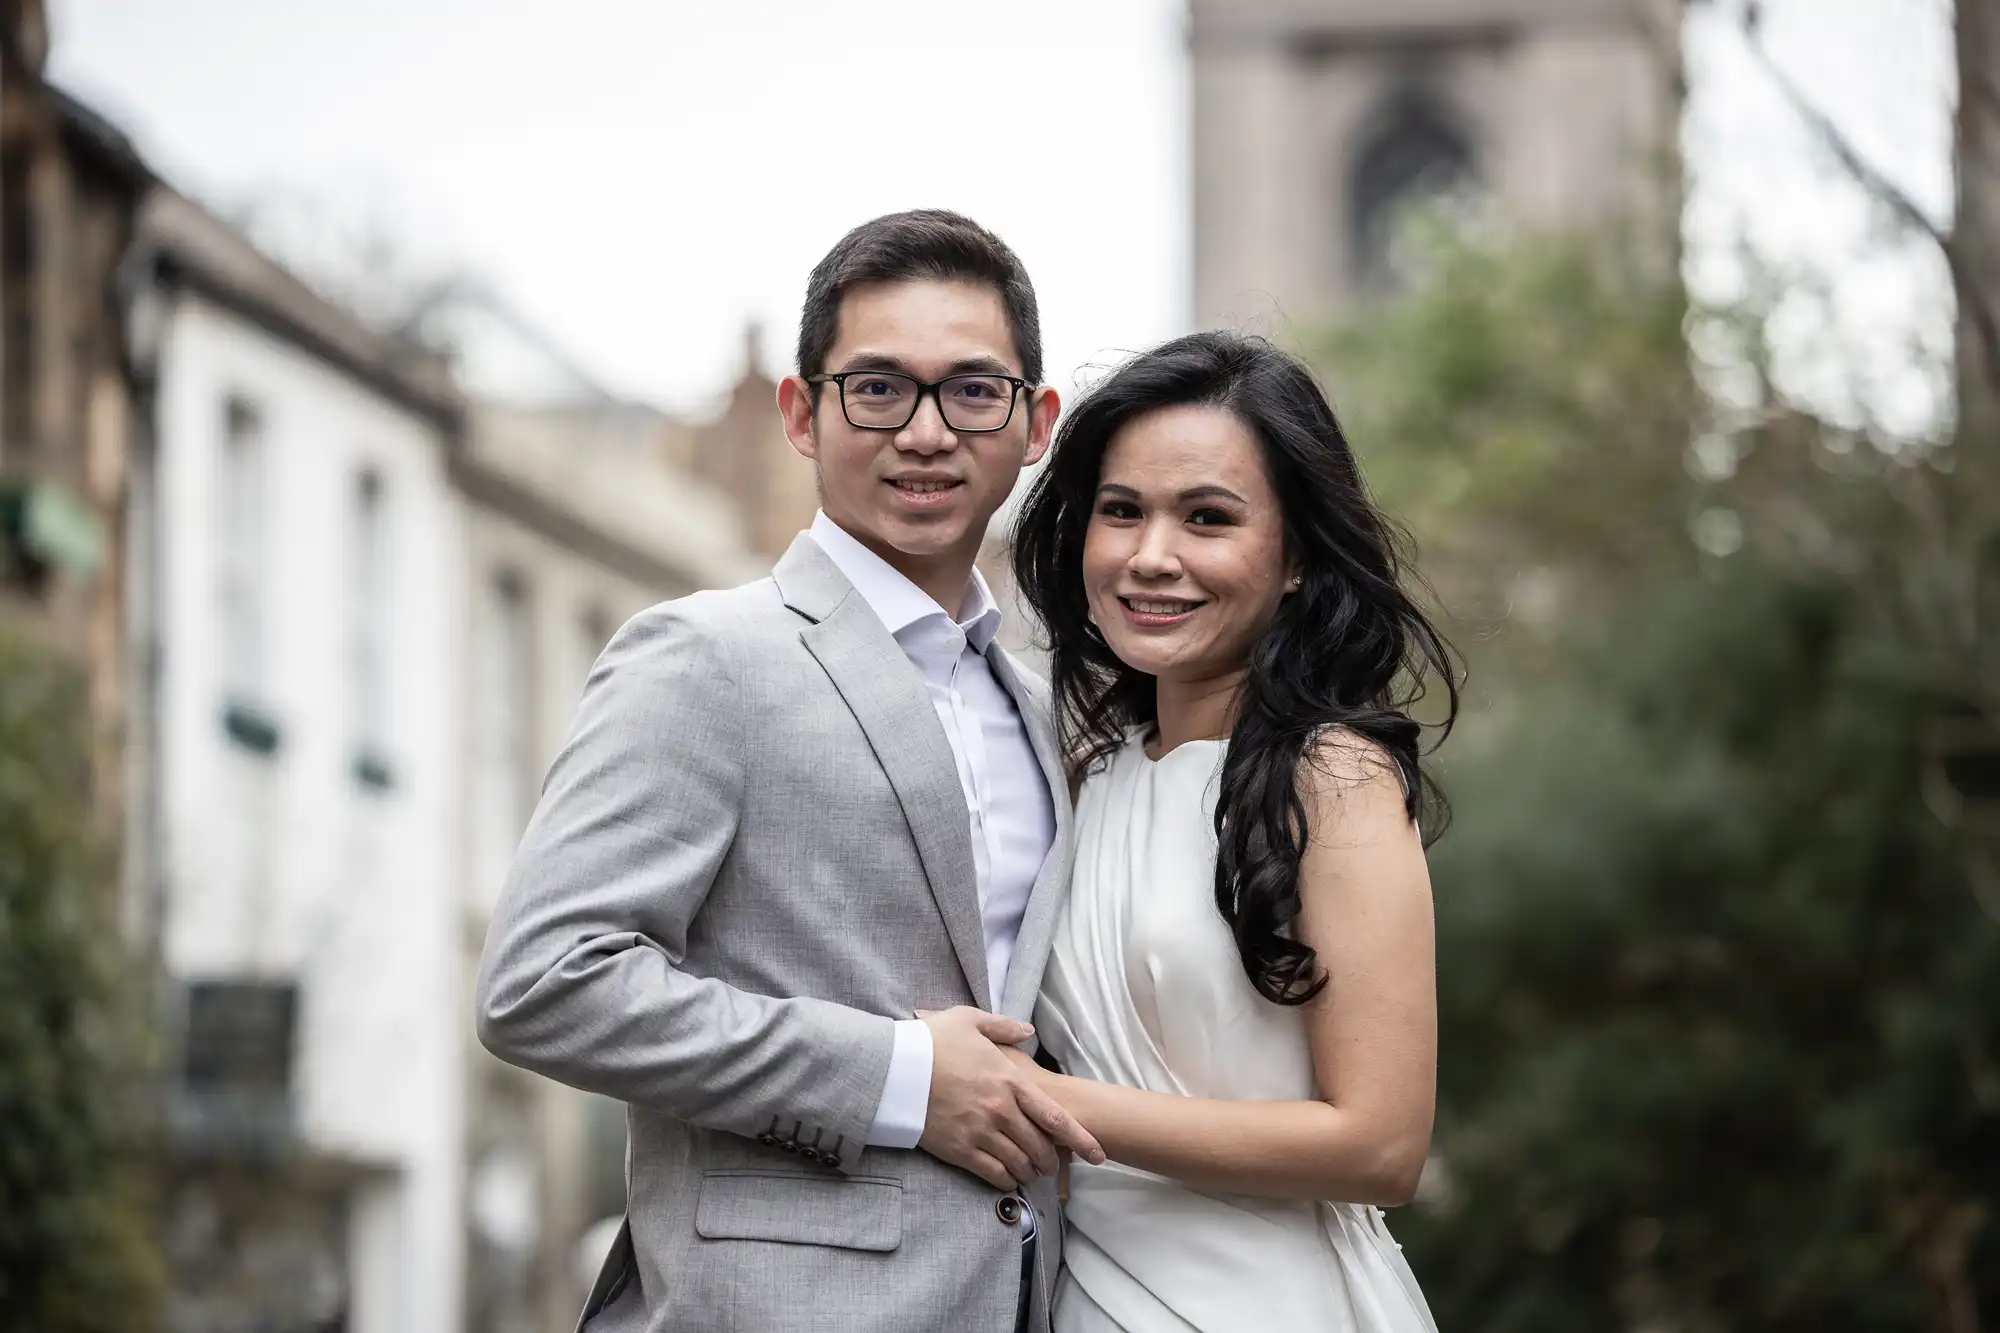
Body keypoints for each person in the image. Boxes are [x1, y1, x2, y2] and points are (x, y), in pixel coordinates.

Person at [474, 209, 1106, 1333]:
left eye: (971, 390)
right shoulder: (704, 659)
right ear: (801, 413)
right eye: (876, 389)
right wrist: (899, 1078)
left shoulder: (1033, 697)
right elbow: (544, 980)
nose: (924, 431)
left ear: (1034, 422)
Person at [1008, 331, 1458, 1332]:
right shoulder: (1085, 778)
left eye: (1206, 518)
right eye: (1120, 511)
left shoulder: (1330, 772)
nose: (1150, 556)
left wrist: (1029, 1102)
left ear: (1295, 556)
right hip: (1084, 1296)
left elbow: (1380, 1145)